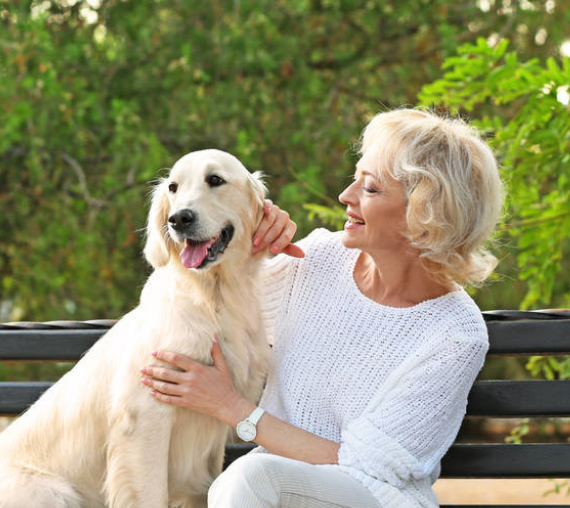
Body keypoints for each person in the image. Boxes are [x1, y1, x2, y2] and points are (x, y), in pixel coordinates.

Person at [139, 107, 505, 508]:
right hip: (270, 493)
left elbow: (366, 466)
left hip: (372, 497)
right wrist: (249, 229)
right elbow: (212, 300)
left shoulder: (455, 334)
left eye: (370, 188)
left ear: (426, 212)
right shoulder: (317, 259)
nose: (345, 196)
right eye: (355, 179)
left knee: (250, 476)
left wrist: (234, 409)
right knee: (248, 480)